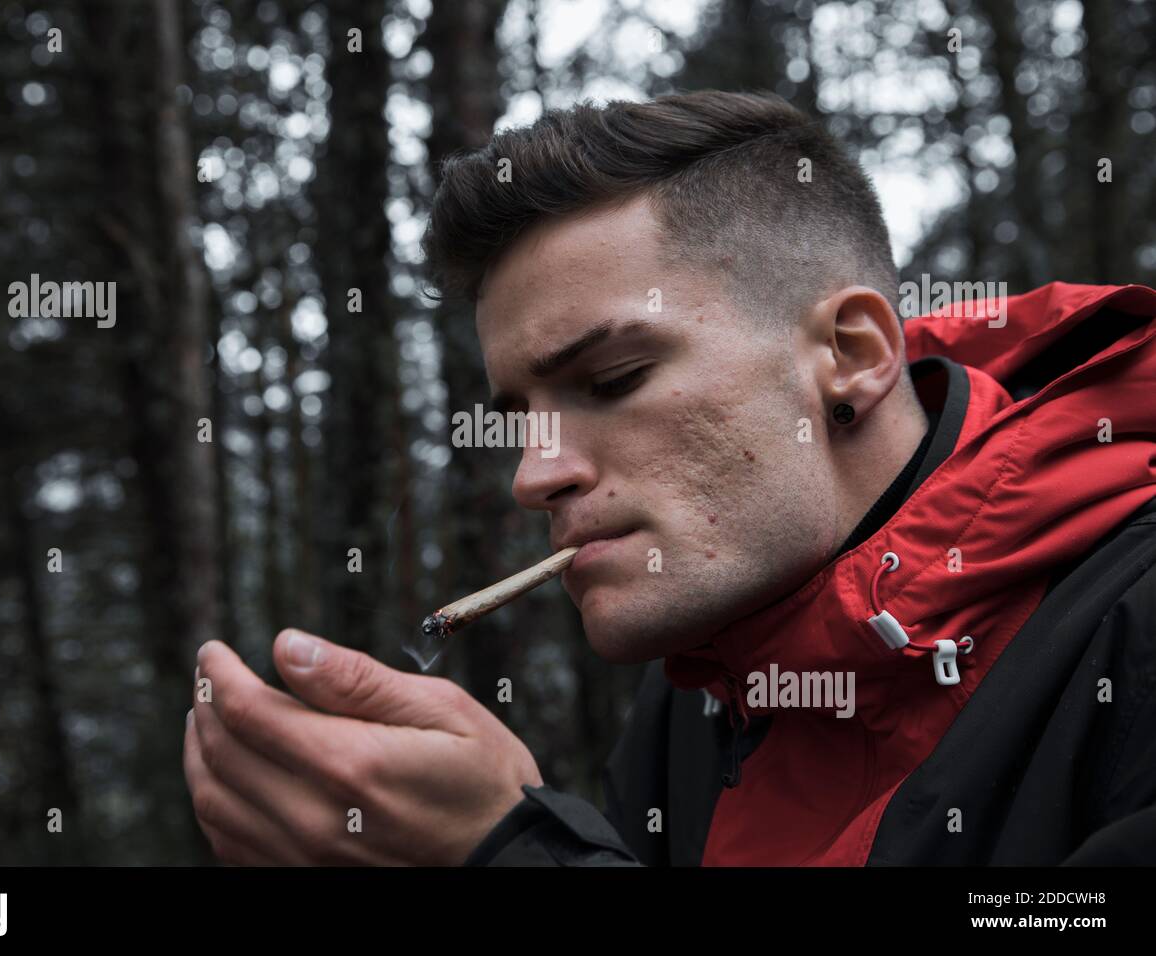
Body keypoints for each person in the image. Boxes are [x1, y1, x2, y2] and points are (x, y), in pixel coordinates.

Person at [182, 90, 1156, 866]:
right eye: (522, 414)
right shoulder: (696, 691)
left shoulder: (1128, 634)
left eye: (612, 380)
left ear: (850, 353)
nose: (533, 476)